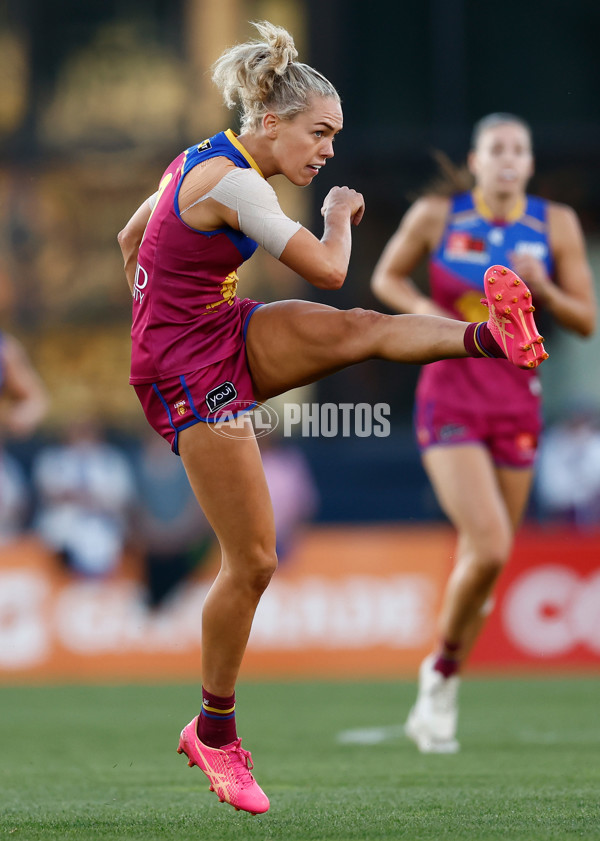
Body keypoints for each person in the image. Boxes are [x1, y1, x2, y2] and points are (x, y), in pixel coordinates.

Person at [118, 24, 547, 814]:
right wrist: (340, 212)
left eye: (336, 138)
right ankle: (213, 730)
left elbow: (131, 234)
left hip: (208, 331)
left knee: (358, 329)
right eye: (320, 134)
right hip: (186, 370)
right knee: (252, 559)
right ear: (272, 122)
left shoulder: (199, 155)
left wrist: (151, 310)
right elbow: (328, 264)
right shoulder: (238, 183)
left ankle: (497, 336)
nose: (327, 153)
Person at [371, 112, 596, 754]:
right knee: (491, 546)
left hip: (517, 402)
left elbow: (584, 319)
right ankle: (439, 677)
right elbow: (388, 277)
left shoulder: (555, 225)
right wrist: (438, 323)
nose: (506, 158)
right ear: (475, 161)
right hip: (449, 396)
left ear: (528, 164)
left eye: (518, 149)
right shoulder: (439, 217)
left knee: (485, 567)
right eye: (495, 148)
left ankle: (443, 681)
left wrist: (544, 282)